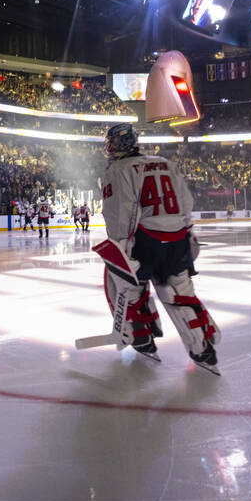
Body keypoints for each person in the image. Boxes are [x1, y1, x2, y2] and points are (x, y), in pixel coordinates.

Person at [94, 123, 220, 373]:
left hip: (145, 240)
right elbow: (186, 201)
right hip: (177, 239)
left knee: (124, 284)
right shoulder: (165, 162)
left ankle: (141, 335)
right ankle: (202, 346)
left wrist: (122, 247)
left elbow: (122, 212)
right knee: (178, 291)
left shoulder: (118, 169)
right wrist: (187, 232)